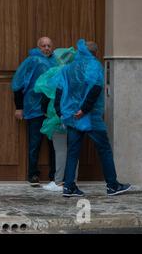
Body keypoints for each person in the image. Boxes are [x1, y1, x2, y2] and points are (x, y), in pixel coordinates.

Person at [55, 39, 131, 197]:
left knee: (72, 152)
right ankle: (112, 185)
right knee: (104, 149)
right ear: (95, 53)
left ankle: (68, 187)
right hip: (90, 117)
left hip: (72, 117)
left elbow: (59, 91)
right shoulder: (94, 65)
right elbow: (95, 89)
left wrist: (61, 113)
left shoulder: (68, 68)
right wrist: (84, 110)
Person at [12, 37, 57, 186]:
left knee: (53, 144)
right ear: (38, 47)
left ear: (52, 47)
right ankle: (32, 175)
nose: (46, 48)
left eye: (49, 45)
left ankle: (54, 175)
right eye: (43, 45)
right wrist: (19, 107)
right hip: (34, 109)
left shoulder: (56, 62)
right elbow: (18, 84)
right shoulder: (31, 61)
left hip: (52, 111)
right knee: (35, 143)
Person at [34, 47, 79, 192]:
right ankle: (72, 180)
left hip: (57, 116)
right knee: (73, 149)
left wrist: (46, 111)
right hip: (76, 116)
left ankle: (59, 181)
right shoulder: (78, 74)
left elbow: (45, 92)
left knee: (60, 150)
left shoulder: (55, 73)